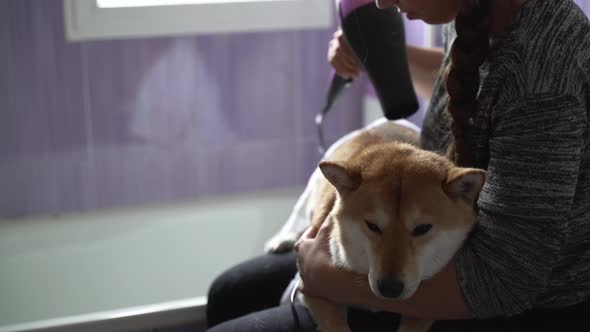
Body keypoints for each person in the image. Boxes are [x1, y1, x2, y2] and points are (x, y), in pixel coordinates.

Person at [205, 0, 590, 331]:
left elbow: (507, 282)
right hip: (433, 244)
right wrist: (385, 54)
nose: (383, 3)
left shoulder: (542, 76)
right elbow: (474, 85)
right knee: (230, 291)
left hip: (513, 304)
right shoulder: (477, 13)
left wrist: (327, 278)